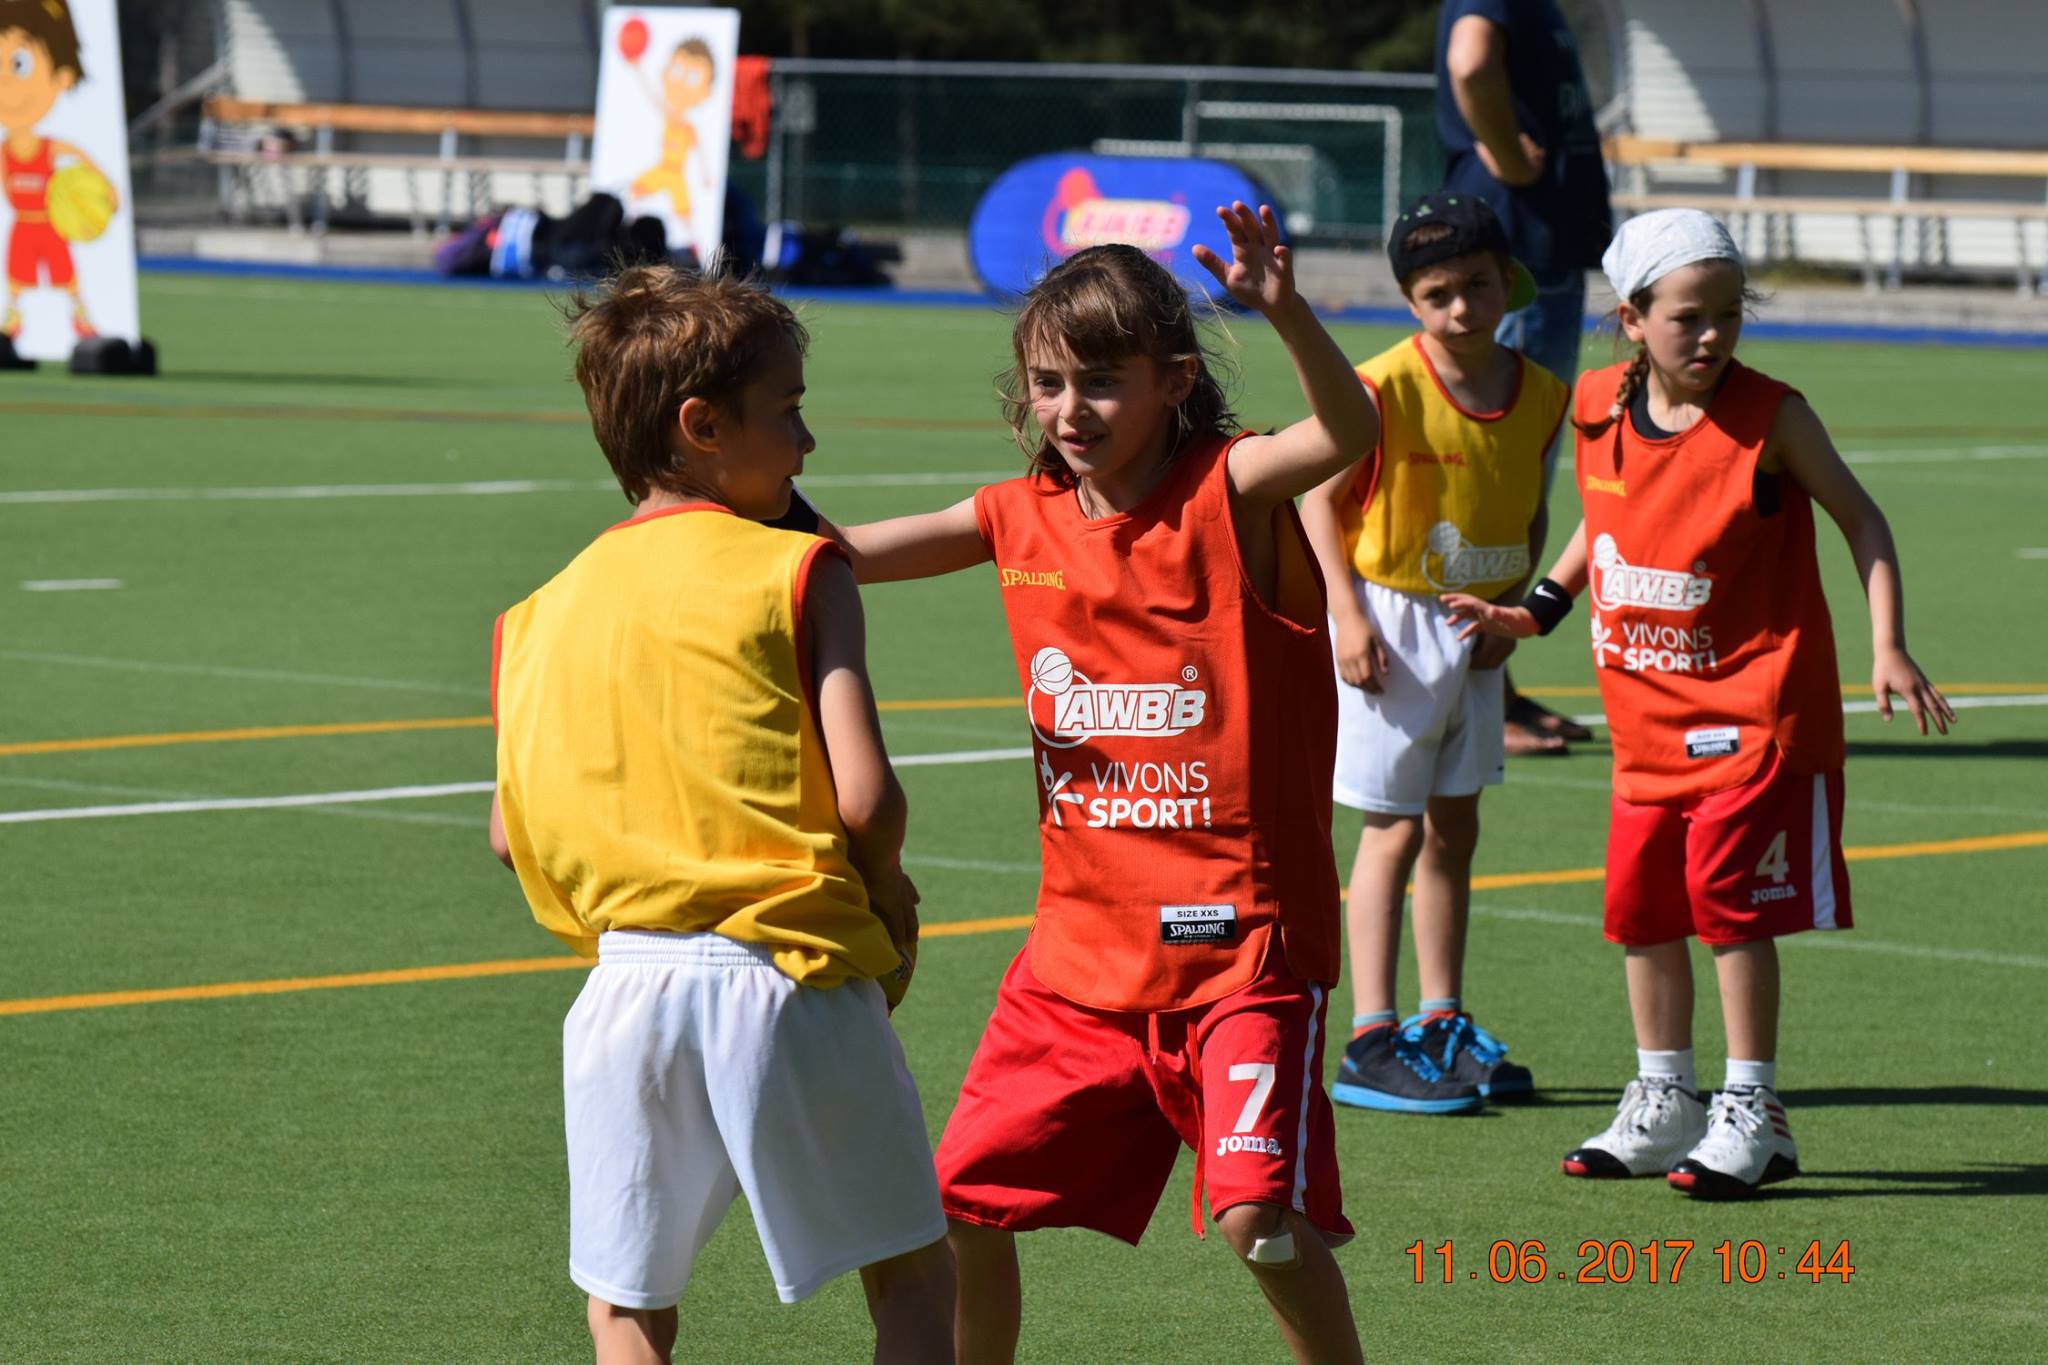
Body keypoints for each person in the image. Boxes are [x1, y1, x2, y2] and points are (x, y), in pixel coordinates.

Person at [823, 205, 1375, 1363]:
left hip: (1238, 954)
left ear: (1175, 382)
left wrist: (1284, 313)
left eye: (1101, 383)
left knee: (1259, 1227)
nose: (1069, 410)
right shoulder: (1012, 517)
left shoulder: (1231, 492)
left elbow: (1345, 430)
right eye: (1047, 383)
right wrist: (707, 519)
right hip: (1076, 960)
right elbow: (837, 560)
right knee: (961, 1205)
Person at [486, 268, 954, 1363]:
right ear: (702, 427)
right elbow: (867, 796)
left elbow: (510, 836)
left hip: (625, 989)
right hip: (788, 974)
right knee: (911, 1278)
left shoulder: (531, 616)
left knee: (628, 1307)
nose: (806, 443)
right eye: (787, 411)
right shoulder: (799, 567)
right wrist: (886, 895)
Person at [1445, 209, 1953, 1198]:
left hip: (1753, 717)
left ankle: (1753, 1108)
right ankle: (1664, 1096)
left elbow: (1862, 517)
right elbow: (1605, 523)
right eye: (1688, 316)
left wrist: (1886, 642)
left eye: (1727, 313)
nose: (1712, 333)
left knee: (1728, 912)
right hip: (1644, 721)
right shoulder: (1595, 404)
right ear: (1631, 319)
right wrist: (1536, 610)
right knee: (1640, 913)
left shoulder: (1773, 418)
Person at [1299, 191, 1567, 1116]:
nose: (1462, 308)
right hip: (1393, 621)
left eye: (1479, 286)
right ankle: (1371, 1035)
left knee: (1457, 825)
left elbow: (1531, 510)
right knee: (1393, 828)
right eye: (1438, 294)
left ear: (1508, 282)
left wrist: (1511, 612)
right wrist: (1347, 616)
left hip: (1476, 628)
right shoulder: (1382, 386)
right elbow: (1317, 502)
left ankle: (1440, 1018)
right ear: (1411, 300)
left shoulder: (1542, 393)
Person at [1437, 0, 1613, 752]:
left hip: (1535, 250)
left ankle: (1493, 683)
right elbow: (1471, 60)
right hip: (1522, 255)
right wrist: (1509, 157)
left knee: (1513, 477)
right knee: (1499, 475)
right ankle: (1474, 685)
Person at [1, 0, 114, 342]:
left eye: (18, 64)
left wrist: (107, 189)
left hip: (49, 223)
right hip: (22, 223)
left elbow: (81, 157)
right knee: (18, 274)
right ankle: (13, 319)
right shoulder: (6, 151)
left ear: (62, 77)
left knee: (64, 272)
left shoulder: (49, 147)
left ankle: (81, 316)